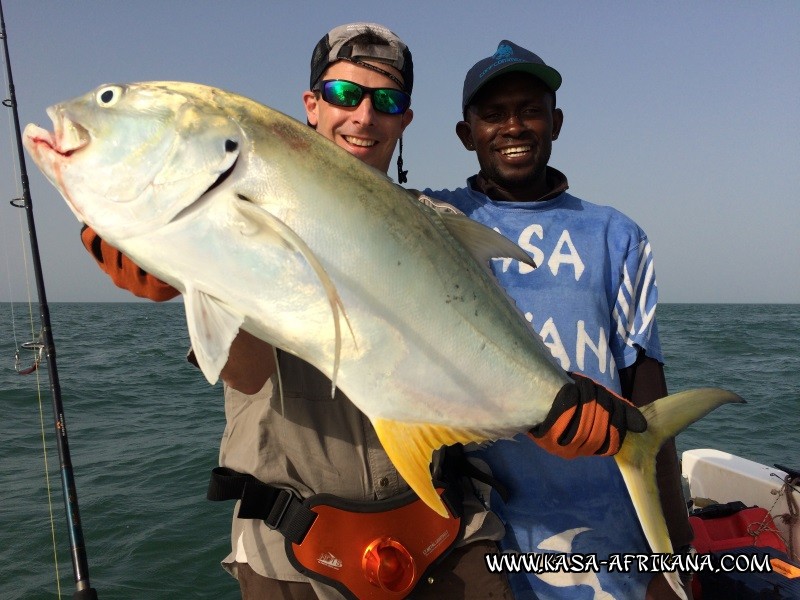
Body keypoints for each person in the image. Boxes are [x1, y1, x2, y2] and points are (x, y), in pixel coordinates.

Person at [78, 26, 652, 600]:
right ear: (312, 104)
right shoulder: (243, 200)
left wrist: (550, 407)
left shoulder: (438, 222)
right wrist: (187, 273)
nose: (363, 116)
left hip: (445, 534)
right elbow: (247, 376)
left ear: (405, 120)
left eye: (387, 101)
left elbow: (482, 348)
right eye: (344, 95)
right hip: (295, 552)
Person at [424, 40, 694, 599]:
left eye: (530, 110)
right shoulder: (431, 220)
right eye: (493, 115)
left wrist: (677, 562)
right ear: (465, 133)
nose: (513, 127)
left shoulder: (618, 236)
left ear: (557, 122)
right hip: (476, 544)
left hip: (611, 542)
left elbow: (650, 408)